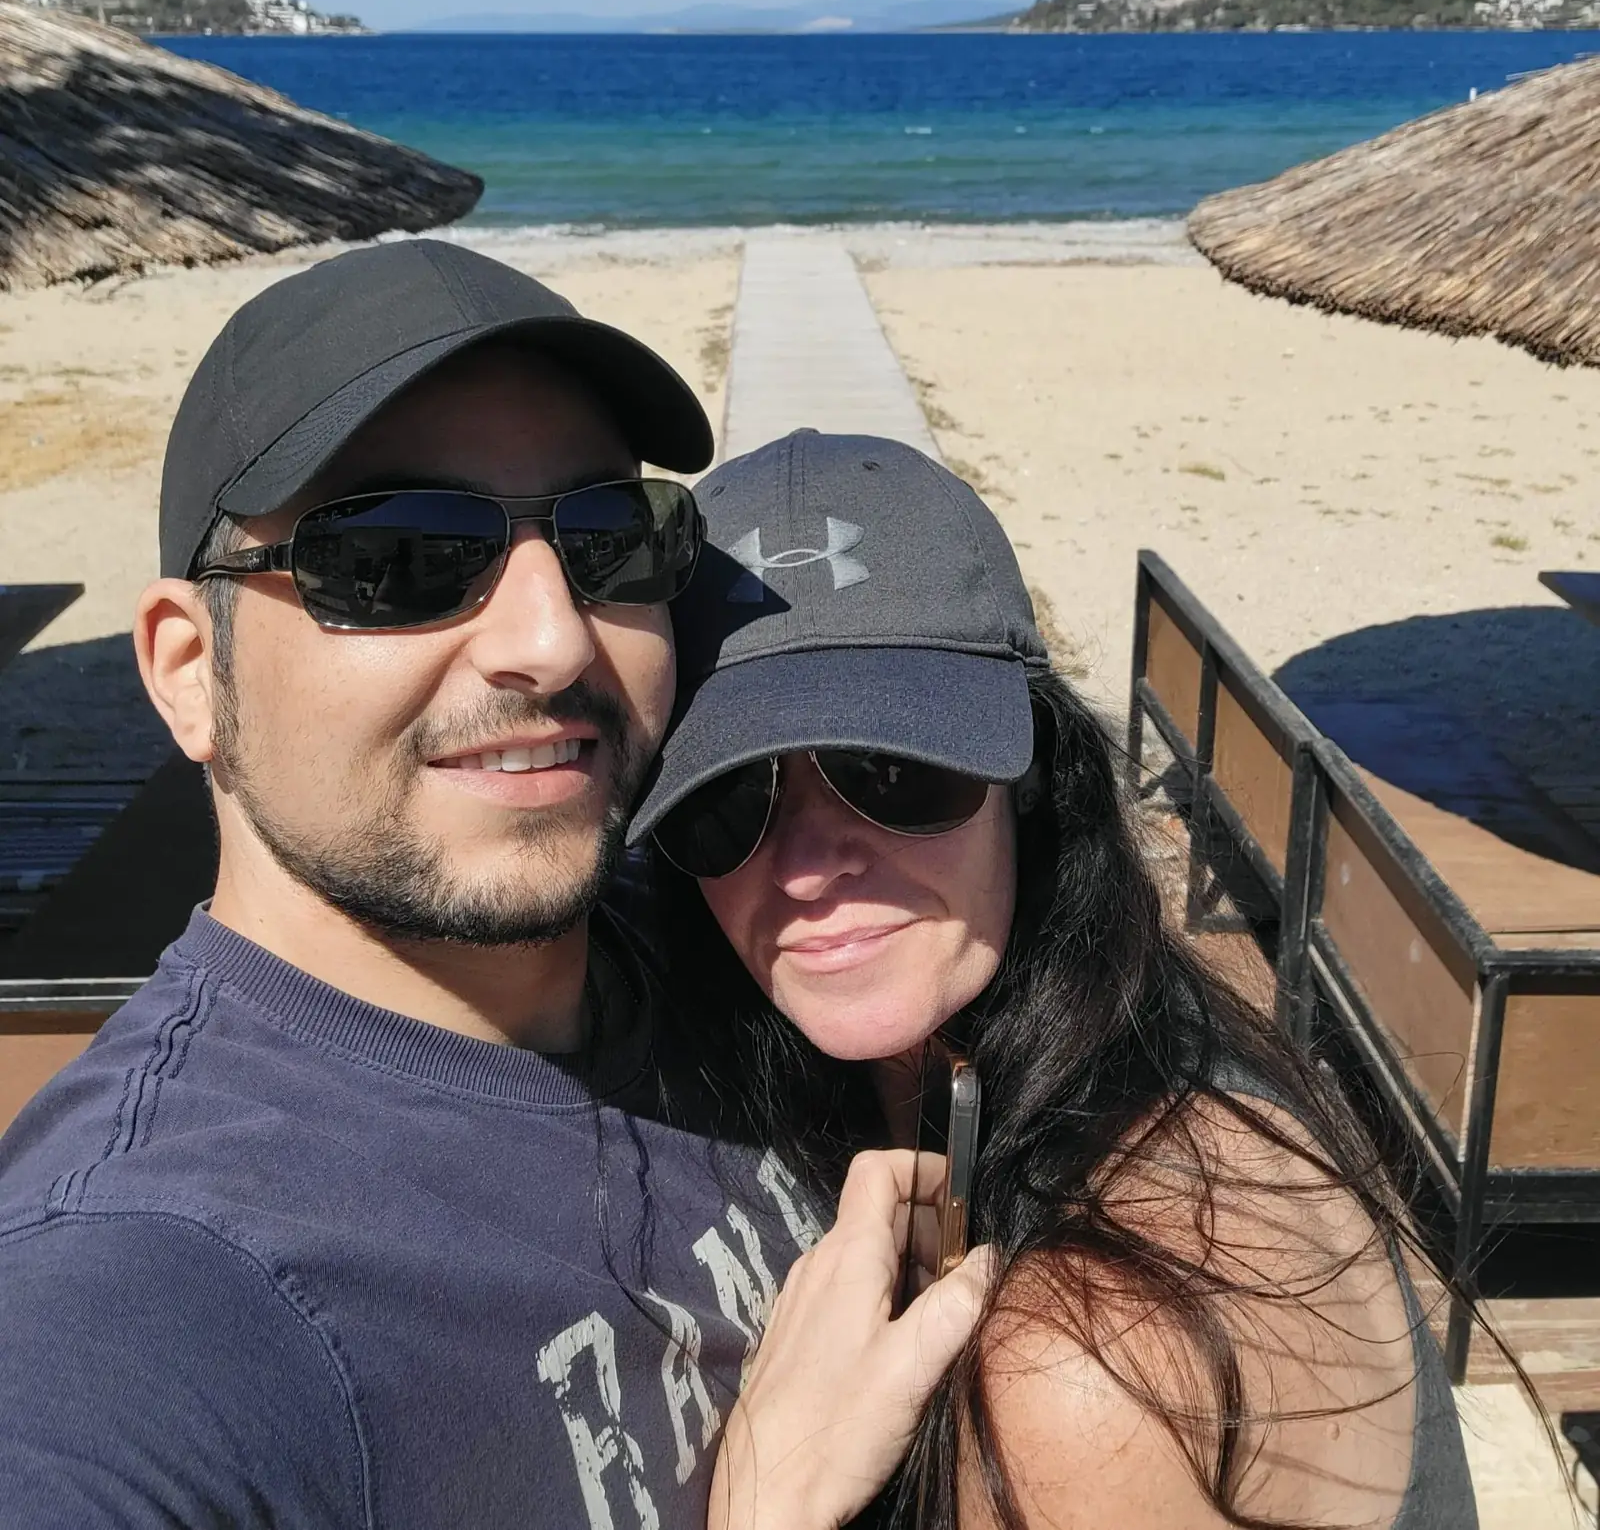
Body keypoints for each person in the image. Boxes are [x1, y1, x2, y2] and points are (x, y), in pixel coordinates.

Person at [0, 246, 985, 1530]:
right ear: (190, 671)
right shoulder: (143, 1301)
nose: (553, 637)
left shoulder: (706, 922)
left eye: (605, 539)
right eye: (400, 555)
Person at [628, 428, 1479, 1530]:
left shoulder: (1080, 1368)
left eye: (892, 770)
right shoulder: (1117, 1041)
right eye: (726, 798)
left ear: (1032, 780)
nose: (804, 864)